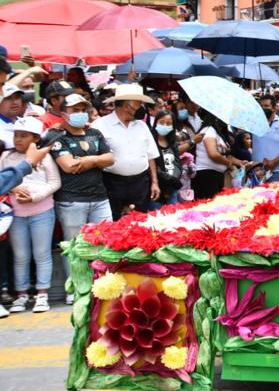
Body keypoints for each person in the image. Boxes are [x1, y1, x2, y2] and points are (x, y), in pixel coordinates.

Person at [47, 94, 114, 303]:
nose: (79, 113)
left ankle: (101, 286)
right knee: (74, 247)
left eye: (82, 109)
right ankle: (75, 289)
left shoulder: (95, 133)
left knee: (104, 244)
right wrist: (97, 160)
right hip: (71, 201)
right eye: (74, 110)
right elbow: (68, 165)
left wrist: (88, 160)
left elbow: (110, 159)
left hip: (100, 198)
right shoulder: (57, 136)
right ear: (64, 113)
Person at [0, 117, 59, 314]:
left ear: (35, 139)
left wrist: (36, 196)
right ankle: (22, 294)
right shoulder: (6, 158)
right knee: (20, 255)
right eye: (16, 135)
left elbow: (54, 183)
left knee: (41, 254)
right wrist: (15, 189)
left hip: (42, 211)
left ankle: (42, 293)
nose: (18, 140)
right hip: (15, 214)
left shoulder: (44, 157)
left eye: (24, 136)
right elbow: (3, 181)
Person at [92, 85, 160, 220]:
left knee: (139, 222)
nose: (141, 107)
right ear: (127, 106)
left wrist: (154, 182)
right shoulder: (99, 125)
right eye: (138, 104)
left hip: (140, 183)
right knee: (113, 222)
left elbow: (150, 155)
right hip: (112, 183)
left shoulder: (142, 126)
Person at [193, 111, 246, 200]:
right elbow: (213, 154)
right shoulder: (209, 131)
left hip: (216, 175)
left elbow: (225, 155)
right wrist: (228, 163)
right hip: (207, 175)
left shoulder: (217, 133)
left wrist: (240, 162)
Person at [251, 95, 279, 183]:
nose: (263, 108)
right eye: (261, 106)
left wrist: (274, 162)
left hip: (275, 172)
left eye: (266, 106)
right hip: (256, 172)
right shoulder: (253, 124)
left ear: (274, 108)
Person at [151, 111, 184, 206]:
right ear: (156, 122)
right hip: (156, 188)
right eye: (161, 122)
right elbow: (153, 166)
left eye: (169, 123)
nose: (165, 126)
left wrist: (174, 180)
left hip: (172, 188)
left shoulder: (172, 143)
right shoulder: (150, 141)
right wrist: (170, 179)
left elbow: (177, 164)